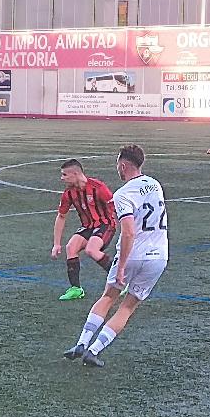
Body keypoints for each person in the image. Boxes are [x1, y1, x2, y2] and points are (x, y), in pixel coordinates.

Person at [63, 144, 168, 368]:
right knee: (127, 308)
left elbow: (129, 231)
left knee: (108, 296)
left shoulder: (122, 194)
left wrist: (120, 267)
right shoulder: (155, 184)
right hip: (159, 256)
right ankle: (94, 350)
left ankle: (82, 344)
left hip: (133, 255)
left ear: (123, 165)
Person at [51, 159, 116, 301]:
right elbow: (61, 216)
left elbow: (115, 208)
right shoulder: (69, 193)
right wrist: (56, 243)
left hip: (106, 225)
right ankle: (76, 289)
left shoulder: (98, 188)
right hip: (88, 226)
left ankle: (120, 280)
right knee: (71, 247)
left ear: (75, 174)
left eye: (64, 175)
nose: (62, 178)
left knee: (91, 250)